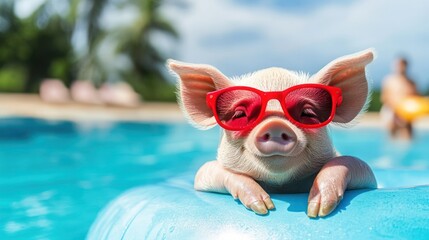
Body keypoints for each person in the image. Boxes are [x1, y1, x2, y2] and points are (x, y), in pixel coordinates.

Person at [380, 57, 419, 139]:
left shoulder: (412, 82)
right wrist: (396, 109)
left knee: (409, 133)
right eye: (398, 65)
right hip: (391, 109)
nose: (400, 67)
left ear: (406, 66)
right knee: (392, 132)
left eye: (402, 65)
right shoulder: (389, 80)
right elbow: (384, 98)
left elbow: (417, 97)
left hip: (407, 111)